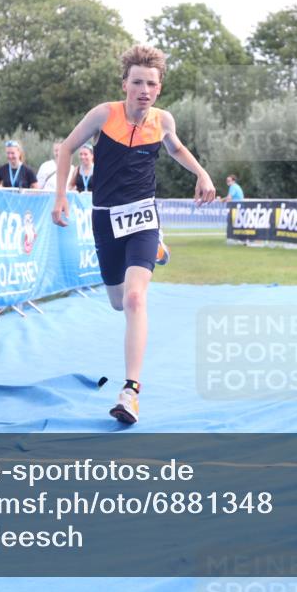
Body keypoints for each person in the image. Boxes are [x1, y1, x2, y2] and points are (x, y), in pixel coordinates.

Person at [50, 45, 216, 425]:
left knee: (136, 299)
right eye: (137, 82)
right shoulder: (103, 115)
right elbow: (67, 149)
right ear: (124, 84)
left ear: (159, 88)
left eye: (151, 84)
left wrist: (202, 173)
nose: (144, 90)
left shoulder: (163, 120)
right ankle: (156, 249)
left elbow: (176, 148)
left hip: (143, 217)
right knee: (117, 302)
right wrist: (60, 195)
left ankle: (130, 392)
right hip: (106, 219)